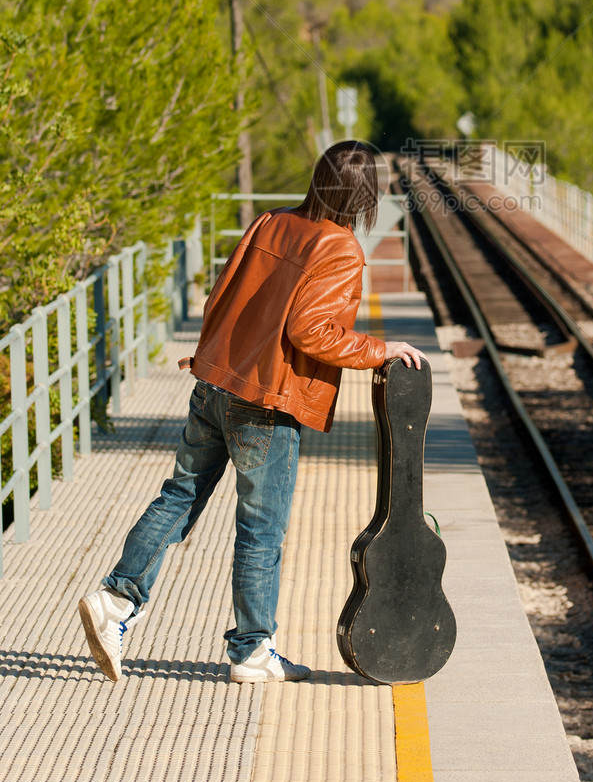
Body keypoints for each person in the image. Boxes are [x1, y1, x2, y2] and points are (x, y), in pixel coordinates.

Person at [78, 141, 427, 684]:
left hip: (216, 382)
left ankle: (116, 600)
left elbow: (223, 292)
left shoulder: (271, 222)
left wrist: (207, 352)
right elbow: (312, 332)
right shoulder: (339, 249)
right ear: (367, 194)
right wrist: (381, 350)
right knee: (261, 531)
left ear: (319, 178)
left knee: (179, 496)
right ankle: (251, 651)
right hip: (265, 401)